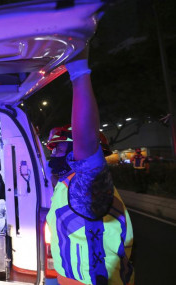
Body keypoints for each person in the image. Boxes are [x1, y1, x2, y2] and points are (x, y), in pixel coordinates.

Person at [45, 49, 134, 285]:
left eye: (58, 148)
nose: (52, 154)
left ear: (76, 151)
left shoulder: (87, 184)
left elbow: (86, 142)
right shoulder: (70, 184)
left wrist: (79, 71)